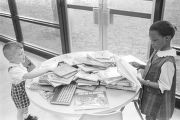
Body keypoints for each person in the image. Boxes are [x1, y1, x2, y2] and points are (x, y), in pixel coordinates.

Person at [131, 20, 177, 120]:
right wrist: (141, 66)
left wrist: (143, 81)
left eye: (155, 40)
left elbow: (165, 85)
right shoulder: (158, 50)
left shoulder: (168, 62)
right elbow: (155, 67)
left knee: (154, 116)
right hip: (153, 98)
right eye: (151, 40)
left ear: (167, 38)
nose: (152, 43)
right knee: (150, 116)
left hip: (160, 104)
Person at [3, 42, 57, 120]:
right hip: (19, 92)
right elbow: (29, 75)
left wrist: (40, 67)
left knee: (26, 106)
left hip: (23, 88)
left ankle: (26, 117)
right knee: (21, 110)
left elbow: (32, 69)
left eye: (23, 52)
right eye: (20, 54)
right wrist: (47, 69)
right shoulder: (14, 70)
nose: (23, 55)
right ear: (11, 58)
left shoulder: (18, 62)